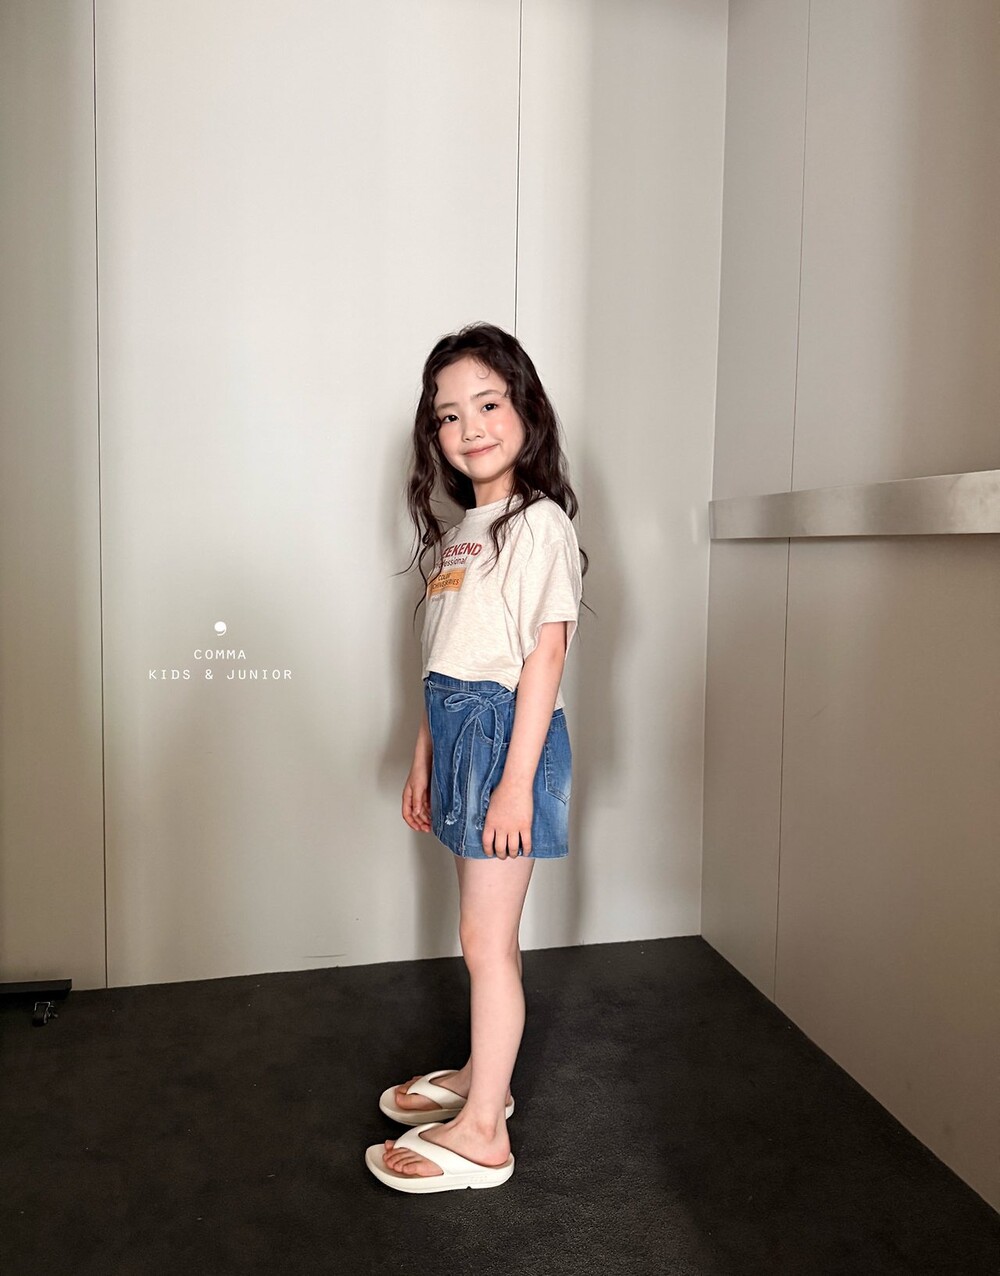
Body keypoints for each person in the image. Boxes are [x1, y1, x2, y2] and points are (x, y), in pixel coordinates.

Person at [365, 322, 588, 1194]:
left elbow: (545, 655)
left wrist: (515, 784)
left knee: (483, 940)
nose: (471, 427)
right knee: (484, 937)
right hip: (459, 732)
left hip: (504, 738)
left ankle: (485, 1131)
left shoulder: (538, 524)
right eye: (449, 415)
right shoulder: (465, 529)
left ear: (526, 408)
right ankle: (477, 1074)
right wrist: (425, 755)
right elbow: (445, 655)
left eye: (489, 404)